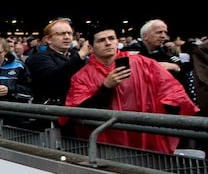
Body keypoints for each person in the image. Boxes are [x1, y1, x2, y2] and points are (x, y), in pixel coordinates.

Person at [65, 27, 199, 154]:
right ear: (91, 46)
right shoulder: (81, 77)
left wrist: (159, 122)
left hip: (149, 139)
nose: (108, 43)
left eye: (111, 38)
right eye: (101, 40)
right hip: (109, 146)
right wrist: (106, 87)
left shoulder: (145, 63)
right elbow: (81, 112)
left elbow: (174, 93)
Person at [124, 19, 196, 103]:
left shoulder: (171, 59)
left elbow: (184, 85)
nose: (163, 36)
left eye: (165, 32)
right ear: (145, 36)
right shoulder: (130, 56)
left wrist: (177, 68)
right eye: (159, 32)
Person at [25, 18, 92, 106]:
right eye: (61, 34)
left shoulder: (77, 56)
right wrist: (80, 56)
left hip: (78, 107)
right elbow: (54, 78)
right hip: (51, 111)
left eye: (70, 33)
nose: (67, 37)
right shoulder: (38, 58)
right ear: (48, 39)